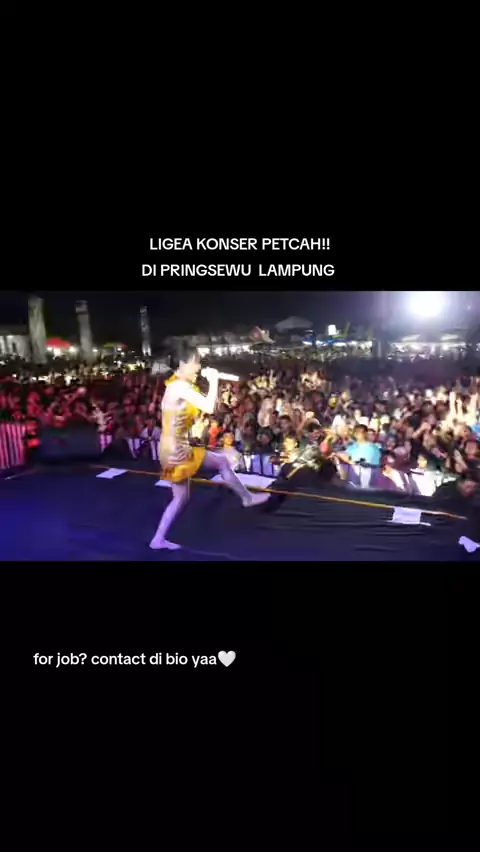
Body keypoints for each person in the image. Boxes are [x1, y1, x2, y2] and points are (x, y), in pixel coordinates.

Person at [149, 352, 266, 551]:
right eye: (195, 363)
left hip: (169, 447)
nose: (198, 367)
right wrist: (214, 380)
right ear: (183, 363)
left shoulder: (175, 385)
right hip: (177, 449)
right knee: (221, 462)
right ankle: (247, 498)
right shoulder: (180, 386)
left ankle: (157, 539)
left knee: (181, 497)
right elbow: (209, 407)